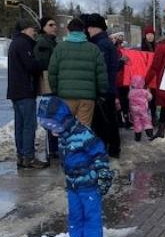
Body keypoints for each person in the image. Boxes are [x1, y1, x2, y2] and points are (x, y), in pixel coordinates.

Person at [37, 97, 113, 237]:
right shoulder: (63, 136)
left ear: (63, 120)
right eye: (48, 127)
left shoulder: (83, 134)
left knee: (91, 215)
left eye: (53, 125)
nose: (52, 130)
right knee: (75, 215)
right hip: (73, 185)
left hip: (89, 184)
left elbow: (99, 154)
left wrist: (103, 174)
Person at [48, 18, 108, 127]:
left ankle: (68, 145)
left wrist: (55, 90)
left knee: (66, 128)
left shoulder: (60, 48)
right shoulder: (94, 49)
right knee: (83, 130)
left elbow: (52, 72)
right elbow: (101, 74)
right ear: (83, 30)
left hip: (65, 96)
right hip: (87, 97)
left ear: (68, 30)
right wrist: (101, 92)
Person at [7, 18, 49, 169]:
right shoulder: (24, 44)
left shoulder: (15, 43)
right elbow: (30, 65)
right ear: (25, 30)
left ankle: (21, 155)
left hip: (16, 91)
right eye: (33, 29)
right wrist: (43, 65)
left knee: (20, 125)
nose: (35, 33)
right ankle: (28, 157)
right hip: (25, 90)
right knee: (29, 125)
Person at [87, 13, 122, 158]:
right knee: (109, 121)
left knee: (104, 122)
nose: (87, 30)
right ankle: (112, 148)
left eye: (88, 27)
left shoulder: (100, 44)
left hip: (104, 90)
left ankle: (108, 150)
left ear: (94, 27)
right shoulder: (105, 42)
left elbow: (101, 68)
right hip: (109, 88)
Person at [34, 16, 60, 160]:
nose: (54, 27)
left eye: (55, 24)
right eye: (51, 25)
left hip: (54, 85)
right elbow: (44, 62)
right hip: (48, 85)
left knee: (55, 117)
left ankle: (54, 148)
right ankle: (52, 149)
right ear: (43, 27)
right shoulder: (43, 43)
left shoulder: (51, 42)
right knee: (51, 117)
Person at [128, 75, 154, 141]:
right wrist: (148, 92)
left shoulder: (131, 92)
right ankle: (150, 135)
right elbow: (150, 98)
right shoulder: (144, 91)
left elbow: (129, 98)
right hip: (143, 109)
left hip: (134, 110)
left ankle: (137, 137)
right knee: (146, 121)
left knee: (136, 122)